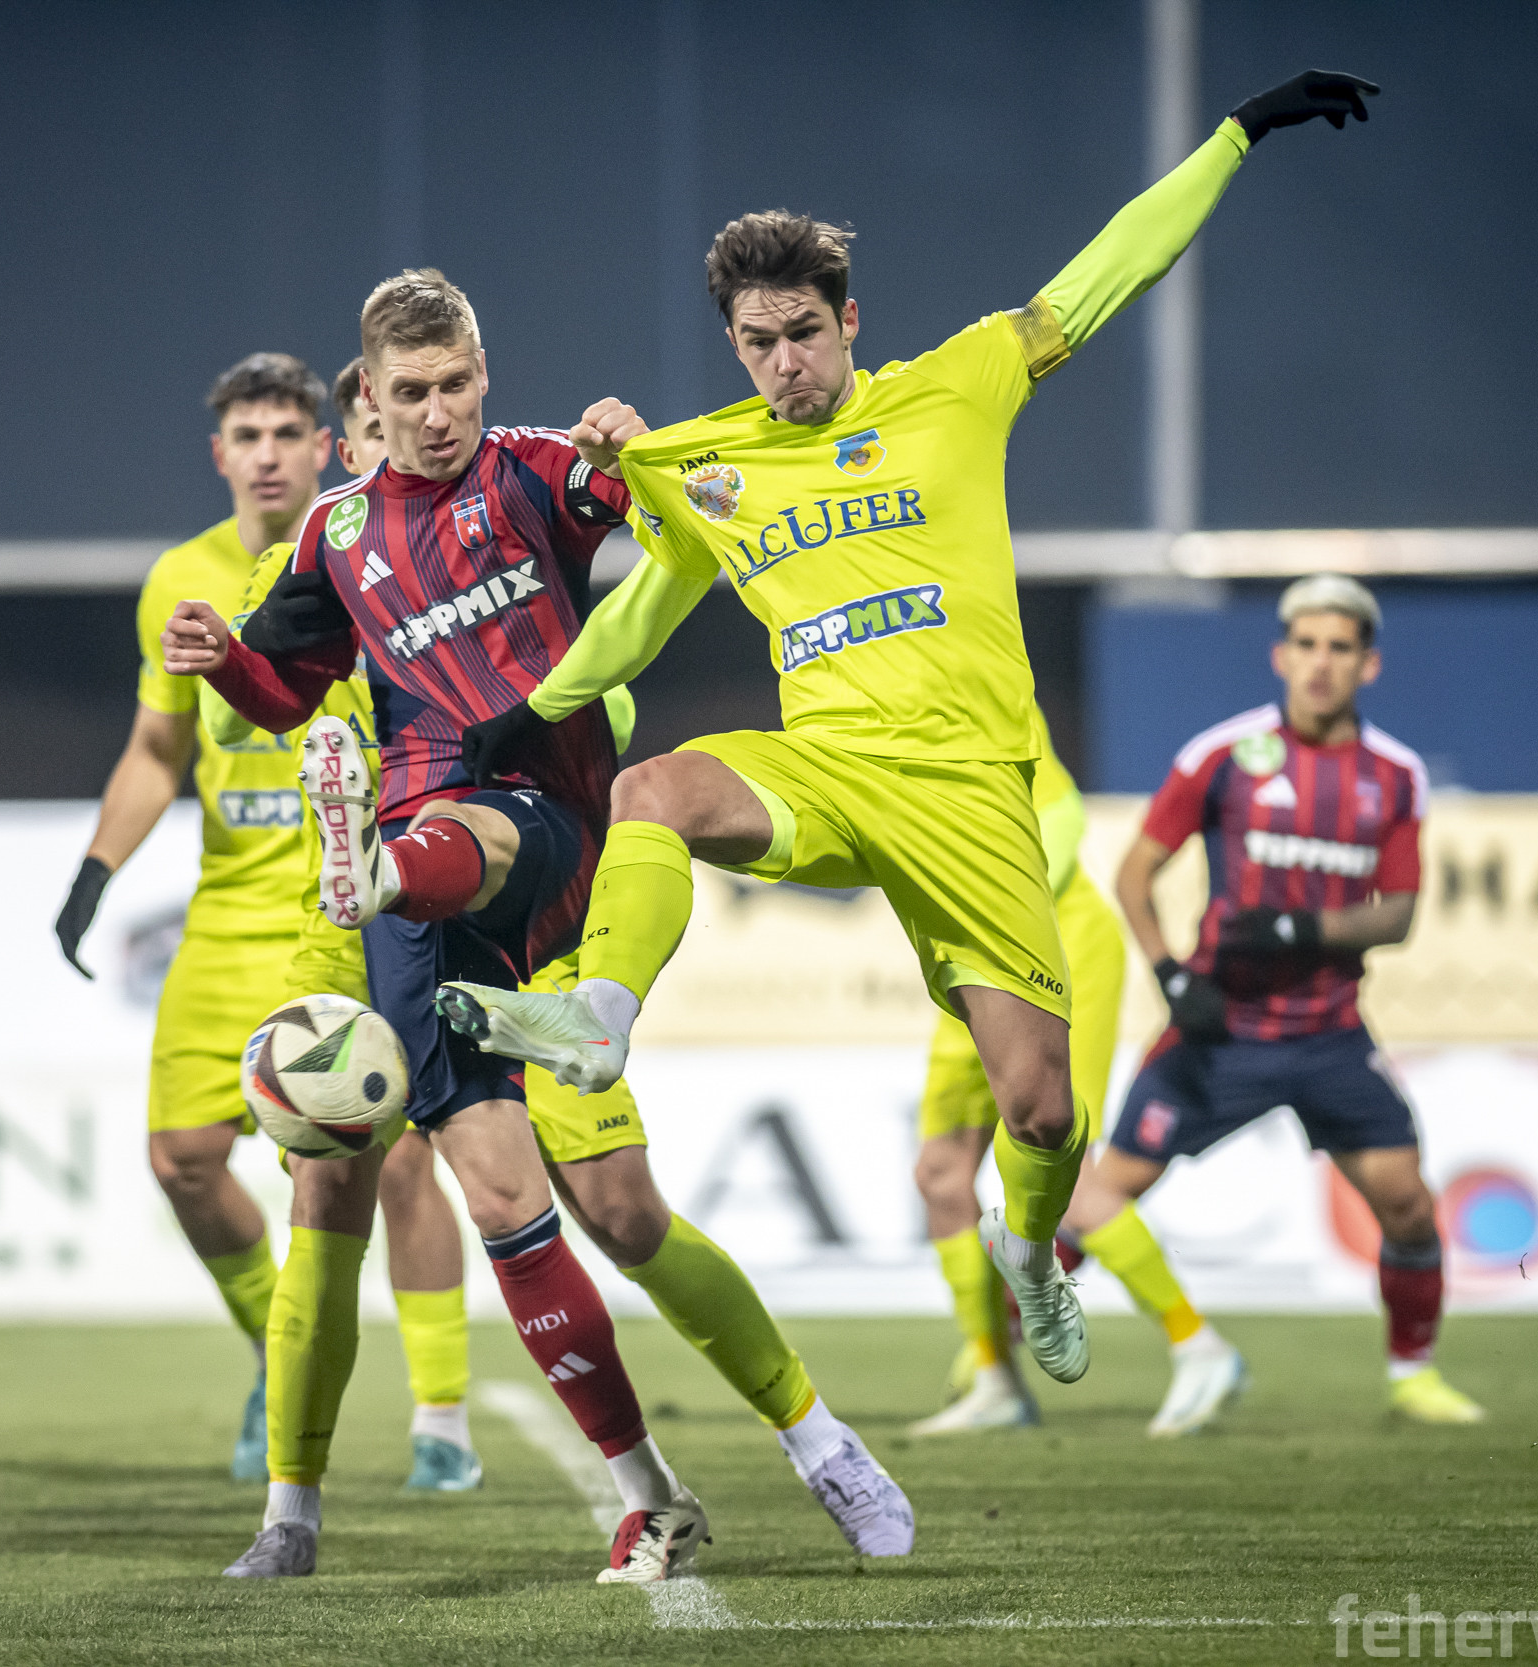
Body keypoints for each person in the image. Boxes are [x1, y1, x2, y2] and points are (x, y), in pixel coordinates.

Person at [443, 70, 1382, 1393]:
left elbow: (1108, 273)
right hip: (829, 769)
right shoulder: (710, 463)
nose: (784, 362)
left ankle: (1031, 1248)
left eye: (803, 332)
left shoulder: (958, 384)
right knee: (651, 788)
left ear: (848, 321)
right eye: (758, 342)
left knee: (1041, 1109)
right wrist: (524, 716)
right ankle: (598, 1019)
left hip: (971, 795)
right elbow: (643, 610)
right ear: (734, 344)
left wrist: (1236, 135)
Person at [170, 270, 897, 1583]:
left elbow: (673, 510)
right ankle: (624, 1494)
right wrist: (223, 657)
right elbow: (281, 694)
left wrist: (630, 457)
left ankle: (821, 1437)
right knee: (496, 1198)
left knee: (623, 1204)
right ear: (371, 402)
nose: (436, 413)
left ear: (483, 373)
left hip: (545, 833)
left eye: (455, 384)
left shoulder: (534, 472)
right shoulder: (338, 537)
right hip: (412, 883)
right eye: (410, 394)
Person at [1062, 574, 1484, 1425]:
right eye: (1307, 645)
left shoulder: (1396, 775)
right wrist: (1170, 974)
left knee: (1408, 1202)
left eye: (1340, 648)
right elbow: (1135, 873)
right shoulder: (1223, 755)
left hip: (1330, 1033)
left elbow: (1398, 914)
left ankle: (1414, 1376)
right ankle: (996, 1358)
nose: (1321, 663)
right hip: (1220, 1030)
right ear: (1281, 655)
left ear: (1368, 665)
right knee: (1089, 1204)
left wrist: (1301, 929)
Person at [199, 359, 485, 1494]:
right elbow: (245, 711)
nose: (381, 445)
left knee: (474, 1169)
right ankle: (296, 1481)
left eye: (388, 427)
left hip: (449, 888)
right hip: (335, 912)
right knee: (329, 1168)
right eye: (369, 427)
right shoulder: (305, 564)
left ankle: (445, 1417)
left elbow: (584, 701)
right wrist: (227, 659)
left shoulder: (466, 552)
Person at [52, 353, 334, 1483]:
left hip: (336, 909)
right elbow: (156, 749)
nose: (268, 455)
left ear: (323, 446)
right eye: (248, 436)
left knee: (329, 1161)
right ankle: (277, 1344)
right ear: (219, 454)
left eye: (287, 433)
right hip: (225, 912)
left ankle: (398, 1404)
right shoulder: (179, 575)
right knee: (181, 1157)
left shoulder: (356, 549)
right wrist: (94, 875)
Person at [908, 711, 1113, 1435]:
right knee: (940, 1174)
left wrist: (998, 913)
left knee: (1066, 1159)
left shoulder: (984, 689)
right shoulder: (846, 703)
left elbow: (1060, 813)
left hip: (1036, 947)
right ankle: (995, 1376)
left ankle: (1197, 1346)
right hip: (958, 960)